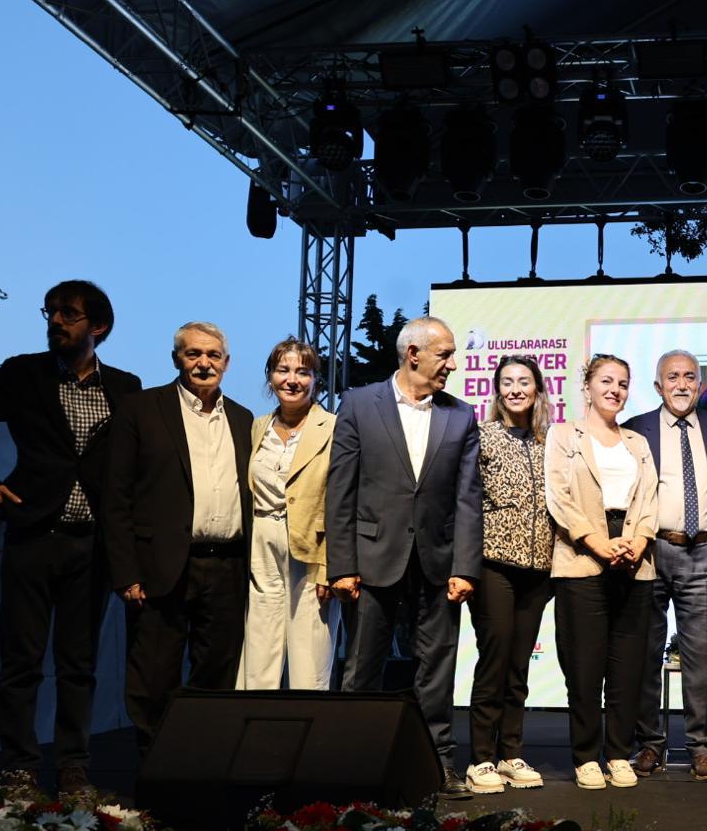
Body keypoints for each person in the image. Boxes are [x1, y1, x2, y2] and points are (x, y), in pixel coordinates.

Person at [0, 280, 141, 796]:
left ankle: (74, 765)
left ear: (97, 326)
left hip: (92, 544)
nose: (56, 321)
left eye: (69, 314)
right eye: (51, 312)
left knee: (78, 665)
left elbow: (133, 466)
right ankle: (19, 765)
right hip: (34, 535)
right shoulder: (23, 373)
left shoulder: (125, 387)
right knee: (21, 661)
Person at [326, 316, 482, 800]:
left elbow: (467, 499)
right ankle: (355, 764)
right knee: (362, 668)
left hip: (437, 565)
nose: (452, 365)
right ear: (413, 353)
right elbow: (341, 490)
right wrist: (342, 565)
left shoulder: (461, 416)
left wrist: (464, 567)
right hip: (372, 560)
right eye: (445, 355)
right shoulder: (358, 404)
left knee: (436, 668)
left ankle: (439, 764)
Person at [104, 321, 253, 755]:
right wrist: (125, 572)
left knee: (217, 675)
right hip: (161, 566)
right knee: (153, 676)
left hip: (227, 565)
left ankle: (201, 765)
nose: (203, 363)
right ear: (176, 360)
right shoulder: (141, 410)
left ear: (226, 363)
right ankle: (154, 769)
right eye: (193, 354)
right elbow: (117, 498)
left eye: (212, 355)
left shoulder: (244, 419)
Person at [544, 355, 659, 790]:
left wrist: (640, 542)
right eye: (606, 381)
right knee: (585, 667)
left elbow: (650, 499)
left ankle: (618, 754)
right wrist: (595, 542)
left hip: (635, 558)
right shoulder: (562, 434)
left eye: (623, 383)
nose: (615, 389)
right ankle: (586, 756)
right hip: (582, 557)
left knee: (628, 668)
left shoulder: (637, 442)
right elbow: (559, 497)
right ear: (587, 386)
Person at [622, 350, 707, 781]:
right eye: (673, 377)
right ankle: (649, 744)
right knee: (645, 652)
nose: (682, 384)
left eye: (690, 377)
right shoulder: (636, 430)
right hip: (651, 550)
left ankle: (702, 749)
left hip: (705, 549)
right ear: (658, 386)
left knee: (702, 655)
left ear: (700, 386)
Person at [465, 355, 554, 794]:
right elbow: (465, 504)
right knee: (495, 660)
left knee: (519, 666)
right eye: (507, 382)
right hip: (493, 565)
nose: (516, 388)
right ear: (497, 390)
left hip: (540, 571)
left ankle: (510, 753)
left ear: (538, 388)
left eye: (524, 381)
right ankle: (481, 758)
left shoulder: (550, 442)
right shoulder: (481, 437)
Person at [236, 337, 338, 691]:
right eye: (283, 370)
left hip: (311, 552)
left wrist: (330, 566)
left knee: (310, 659)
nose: (292, 379)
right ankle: (253, 737)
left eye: (303, 372)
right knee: (258, 653)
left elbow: (340, 502)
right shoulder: (257, 427)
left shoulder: (335, 427)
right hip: (262, 546)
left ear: (315, 380)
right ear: (270, 377)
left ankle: (310, 738)